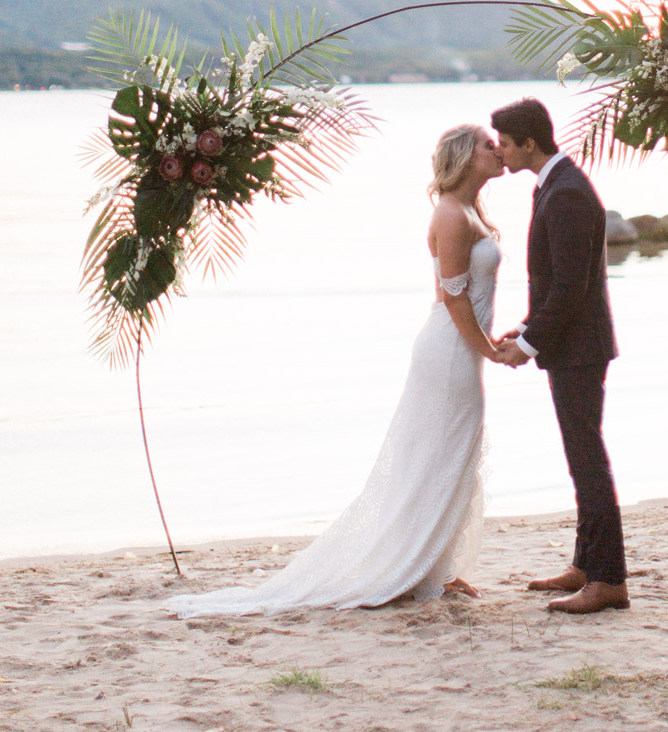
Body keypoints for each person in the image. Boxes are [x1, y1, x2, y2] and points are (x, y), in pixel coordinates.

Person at [165, 124, 507, 616]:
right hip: (451, 349)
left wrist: (491, 343)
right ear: (462, 157)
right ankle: (412, 565)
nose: (497, 151)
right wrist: (490, 350)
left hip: (460, 347)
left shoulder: (470, 210)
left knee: (448, 453)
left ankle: (434, 566)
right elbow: (453, 298)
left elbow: (470, 296)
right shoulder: (452, 214)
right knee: (439, 454)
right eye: (486, 145)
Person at [491, 97, 629, 614]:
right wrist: (527, 326)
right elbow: (559, 283)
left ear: (529, 142)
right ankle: (586, 564)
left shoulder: (566, 193)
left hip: (580, 348)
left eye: (505, 143)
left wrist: (527, 346)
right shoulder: (556, 183)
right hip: (571, 343)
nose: (499, 152)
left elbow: (573, 288)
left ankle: (609, 579)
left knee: (587, 458)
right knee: (580, 456)